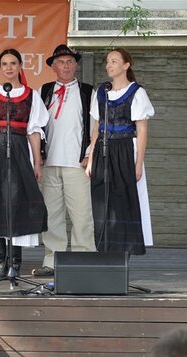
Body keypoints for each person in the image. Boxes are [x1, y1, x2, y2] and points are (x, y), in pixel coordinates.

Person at [0, 49, 49, 278]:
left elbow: (34, 132)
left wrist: (37, 162)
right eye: (4, 64)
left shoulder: (31, 95)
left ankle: (15, 262)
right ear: (0, 67)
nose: (9, 68)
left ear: (20, 65)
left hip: (20, 149)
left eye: (13, 63)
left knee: (17, 202)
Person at [33, 45, 96, 277]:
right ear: (53, 66)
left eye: (70, 61)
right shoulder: (43, 90)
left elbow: (95, 127)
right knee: (51, 215)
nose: (66, 66)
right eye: (61, 62)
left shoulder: (89, 92)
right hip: (49, 163)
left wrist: (89, 154)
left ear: (76, 64)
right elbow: (36, 126)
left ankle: (84, 259)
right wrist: (38, 155)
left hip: (77, 164)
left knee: (81, 214)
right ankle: (52, 260)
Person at [85, 48, 154, 256]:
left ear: (126, 65)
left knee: (124, 200)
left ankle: (123, 253)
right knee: (102, 201)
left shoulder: (136, 92)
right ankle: (105, 250)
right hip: (103, 151)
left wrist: (138, 163)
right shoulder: (101, 92)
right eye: (107, 61)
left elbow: (141, 130)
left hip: (125, 148)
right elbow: (97, 127)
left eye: (114, 61)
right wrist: (90, 158)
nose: (109, 65)